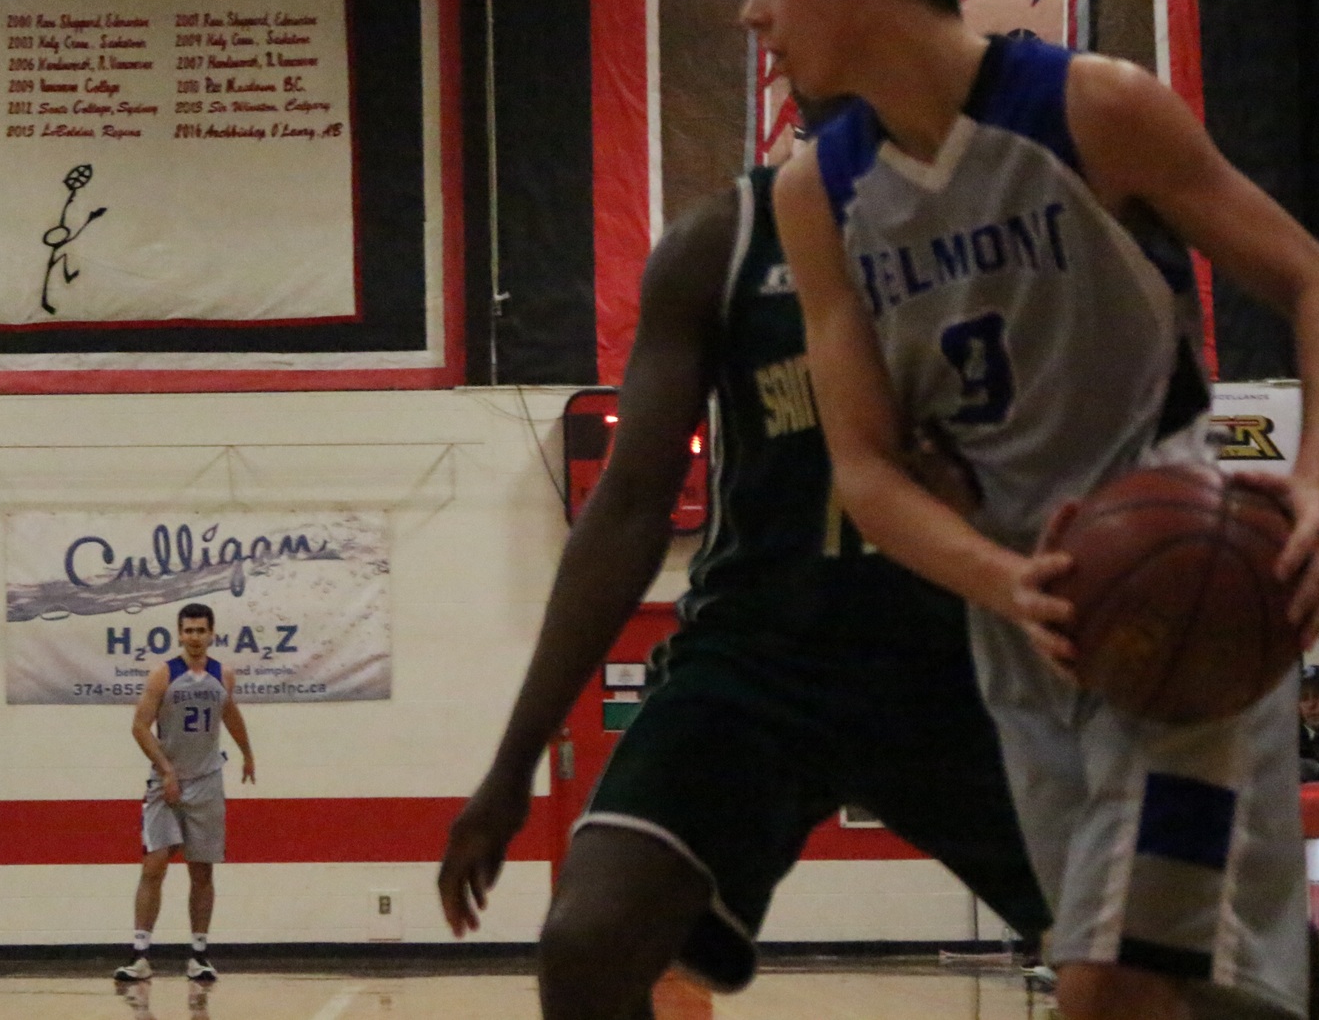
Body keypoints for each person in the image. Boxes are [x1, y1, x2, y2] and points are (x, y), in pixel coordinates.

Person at [761, 0, 1319, 1020]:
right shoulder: (816, 192)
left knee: (1101, 985)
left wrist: (1316, 487)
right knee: (1190, 995)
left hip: (1175, 606)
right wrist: (1006, 582)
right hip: (1024, 638)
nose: (750, 13)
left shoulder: (1091, 107)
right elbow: (864, 474)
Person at [435, 103, 1050, 1020]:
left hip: (972, 652)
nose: (761, 31)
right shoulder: (724, 239)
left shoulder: (1022, 215)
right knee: (589, 941)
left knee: (1196, 966)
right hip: (764, 655)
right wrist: (511, 763)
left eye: (776, 0)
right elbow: (629, 505)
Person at [114, 603, 256, 985]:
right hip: (167, 781)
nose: (194, 637)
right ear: (179, 634)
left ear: (212, 634)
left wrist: (247, 753)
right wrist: (167, 770)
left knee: (202, 869)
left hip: (206, 779)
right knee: (154, 864)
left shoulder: (223, 675)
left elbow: (230, 714)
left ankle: (199, 955)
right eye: (188, 630)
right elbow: (139, 726)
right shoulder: (163, 675)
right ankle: (140, 954)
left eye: (200, 630)